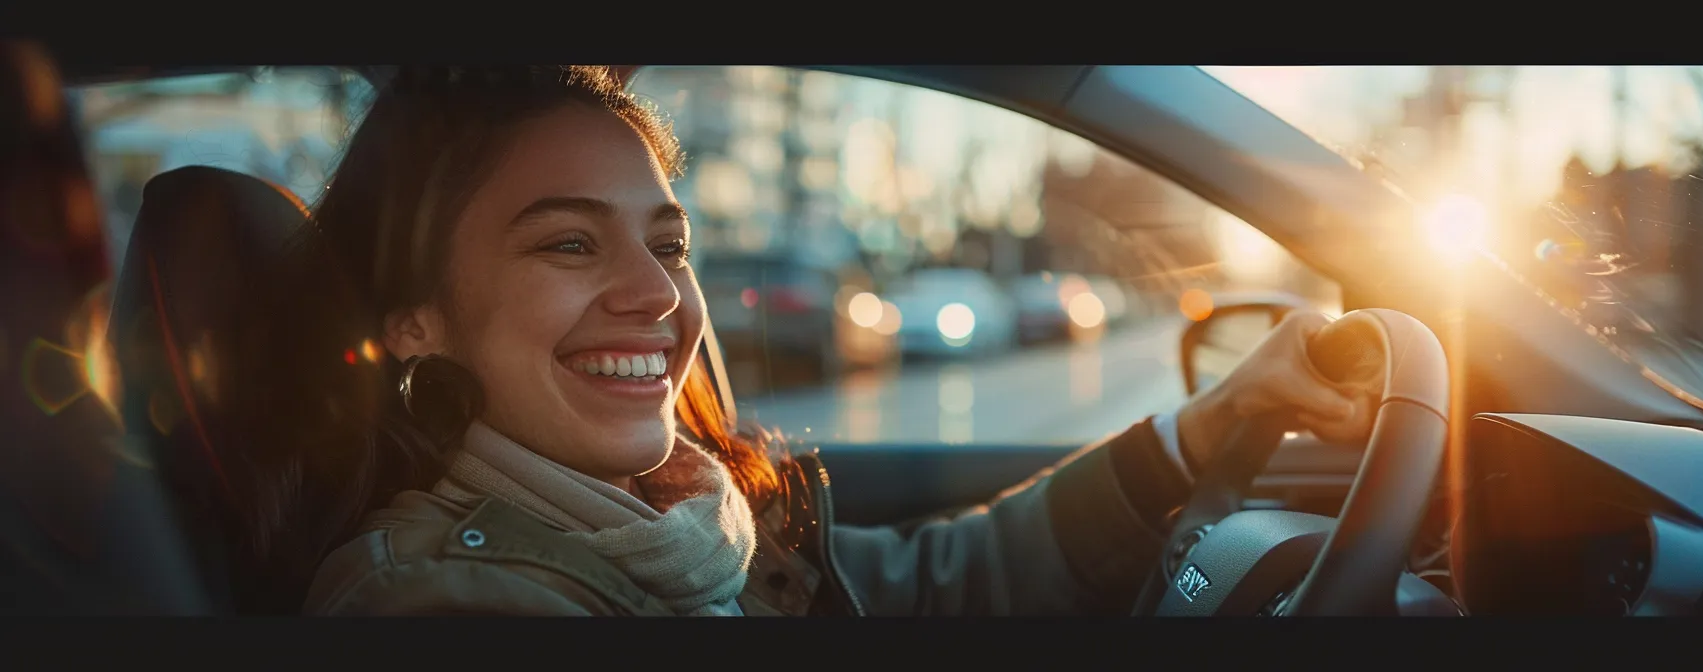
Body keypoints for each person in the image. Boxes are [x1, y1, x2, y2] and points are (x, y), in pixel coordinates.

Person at [233, 65, 1375, 616]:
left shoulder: (681, 517)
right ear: (413, 322)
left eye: (667, 245)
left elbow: (934, 587)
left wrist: (1206, 429)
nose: (657, 296)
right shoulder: (443, 605)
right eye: (569, 247)